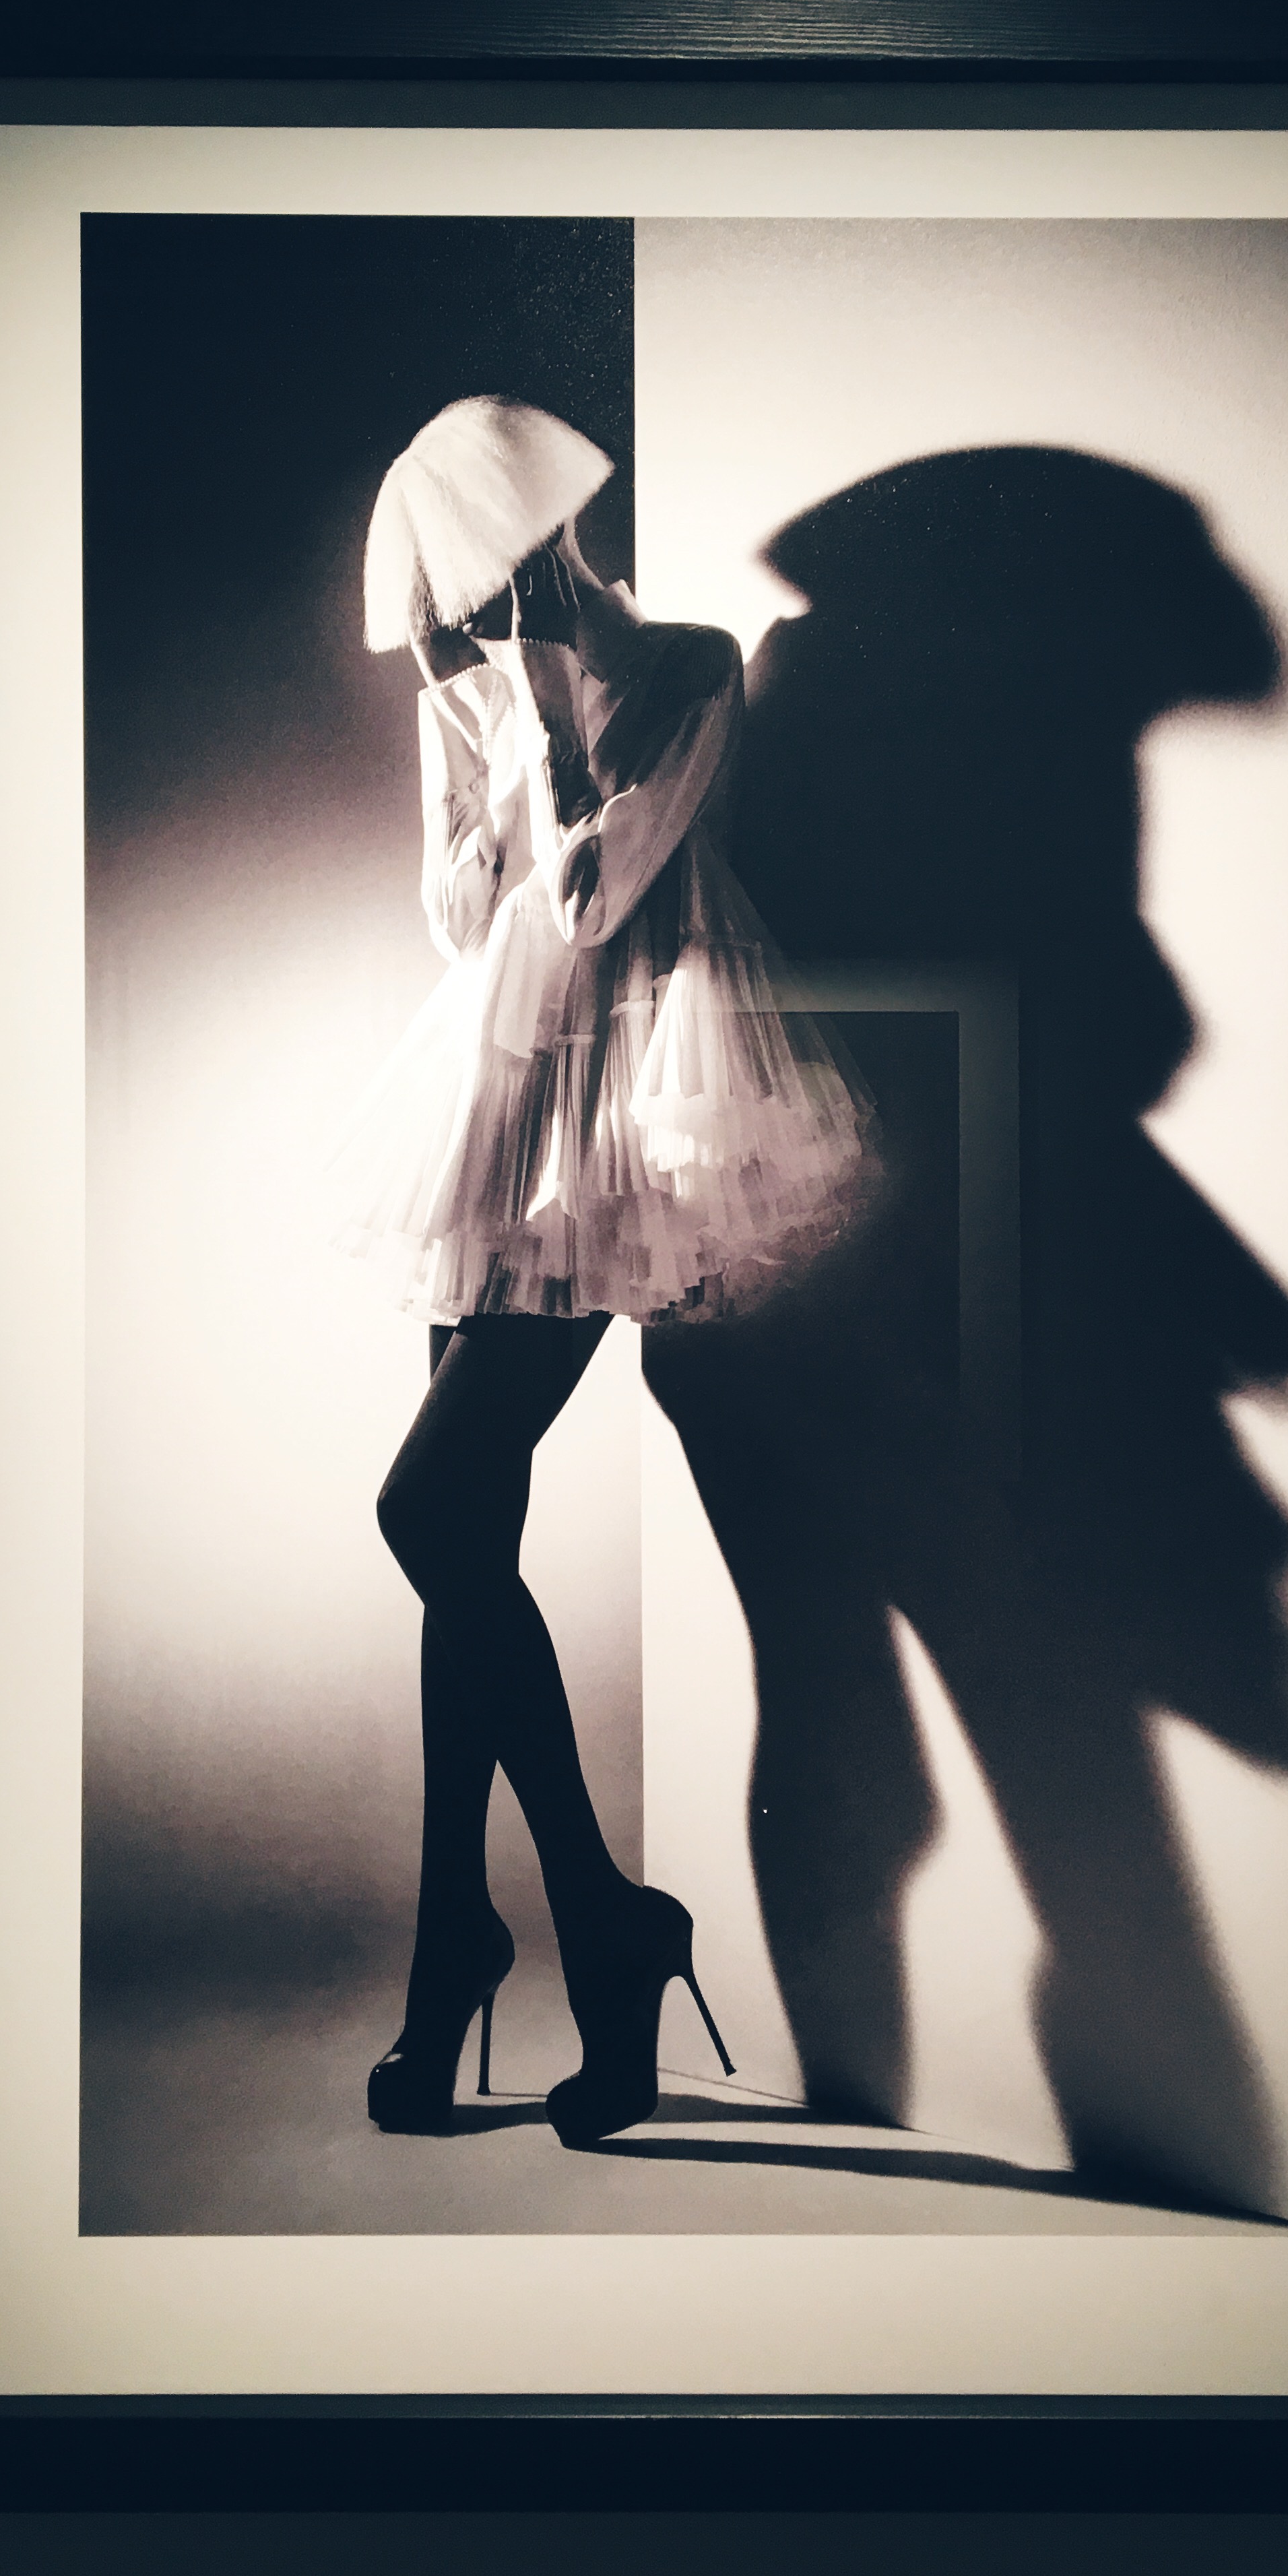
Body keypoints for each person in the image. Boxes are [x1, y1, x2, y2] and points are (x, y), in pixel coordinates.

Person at [334, 397, 867, 2148]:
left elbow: (591, 899)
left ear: (544, 537)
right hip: (493, 1106)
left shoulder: (695, 666)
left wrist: (550, 705)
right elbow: (460, 920)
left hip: (626, 1114)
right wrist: (475, 718)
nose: (476, 616)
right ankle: (476, 1939)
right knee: (466, 1547)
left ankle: (574, 1915)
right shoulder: (465, 693)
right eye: (461, 597)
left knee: (428, 1515)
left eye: (494, 578)